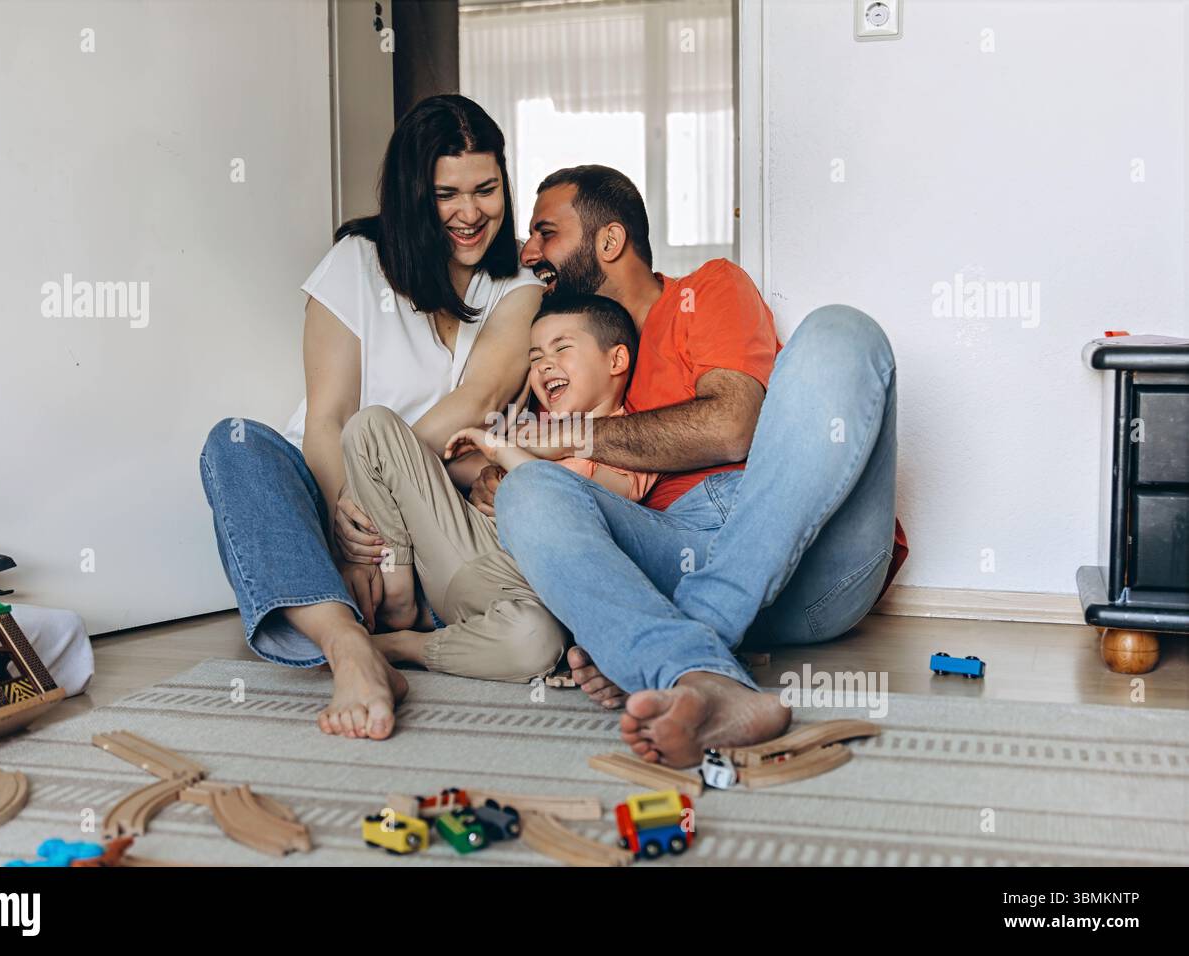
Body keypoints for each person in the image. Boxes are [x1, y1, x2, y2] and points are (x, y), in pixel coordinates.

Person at [486, 165, 908, 767]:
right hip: (672, 553)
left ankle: (688, 633)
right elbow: (513, 470)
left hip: (806, 554)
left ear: (609, 242)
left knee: (843, 331)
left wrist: (573, 436)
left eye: (545, 233)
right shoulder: (568, 360)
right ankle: (693, 669)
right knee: (527, 493)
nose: (529, 253)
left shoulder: (707, 290)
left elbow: (732, 426)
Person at [199, 95, 543, 741]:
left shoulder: (518, 284)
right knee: (235, 444)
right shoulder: (355, 262)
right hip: (333, 495)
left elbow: (476, 400)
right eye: (447, 194)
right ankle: (350, 647)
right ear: (415, 195)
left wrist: (383, 505)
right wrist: (348, 512)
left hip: (435, 519)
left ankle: (376, 627)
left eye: (487, 189)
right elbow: (327, 417)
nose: (471, 214)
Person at [339, 293, 656, 681]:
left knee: (534, 641)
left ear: (616, 360)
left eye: (562, 349)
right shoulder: (532, 427)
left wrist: (499, 449)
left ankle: (403, 644)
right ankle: (399, 594)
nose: (545, 365)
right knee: (372, 426)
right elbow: (459, 472)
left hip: (521, 589)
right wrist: (482, 472)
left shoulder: (633, 442)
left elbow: (565, 495)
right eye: (535, 356)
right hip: (461, 547)